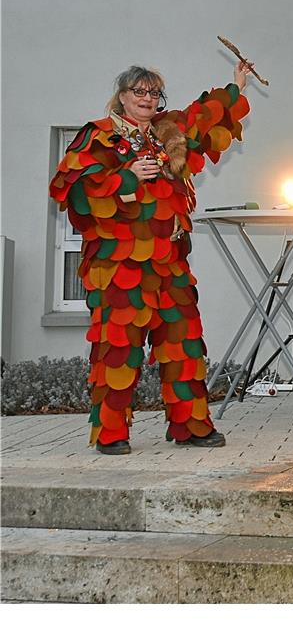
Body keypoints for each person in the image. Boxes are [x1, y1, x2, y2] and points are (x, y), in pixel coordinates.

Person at [49, 59, 254, 454]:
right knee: (119, 349)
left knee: (184, 344)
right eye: (139, 91)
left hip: (170, 264)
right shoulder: (100, 136)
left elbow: (202, 118)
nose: (147, 99)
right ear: (123, 96)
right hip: (121, 265)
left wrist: (237, 86)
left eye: (154, 92)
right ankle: (111, 434)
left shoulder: (167, 132)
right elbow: (72, 186)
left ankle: (191, 426)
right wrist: (126, 177)